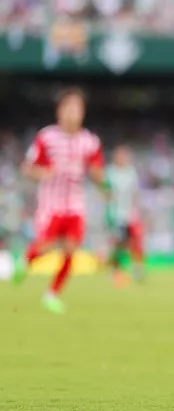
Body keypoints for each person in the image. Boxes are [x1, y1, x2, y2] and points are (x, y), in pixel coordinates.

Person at [12, 88, 105, 313]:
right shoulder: (47, 137)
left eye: (77, 108)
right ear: (59, 110)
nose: (73, 112)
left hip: (75, 204)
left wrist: (99, 179)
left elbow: (97, 172)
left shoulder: (90, 141)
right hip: (51, 203)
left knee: (71, 249)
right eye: (69, 107)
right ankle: (26, 261)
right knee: (46, 245)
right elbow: (27, 167)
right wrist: (42, 173)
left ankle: (51, 294)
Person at [105, 145, 145, 285]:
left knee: (136, 240)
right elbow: (104, 191)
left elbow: (135, 193)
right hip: (116, 214)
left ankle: (137, 269)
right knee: (120, 243)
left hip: (130, 213)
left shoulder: (131, 172)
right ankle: (115, 270)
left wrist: (137, 210)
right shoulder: (110, 173)